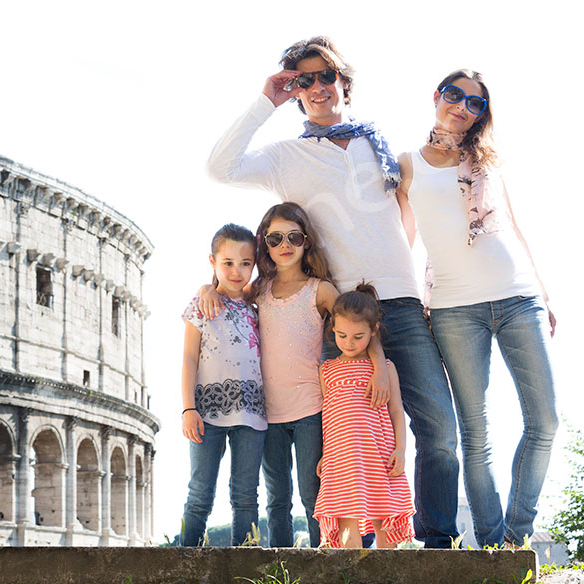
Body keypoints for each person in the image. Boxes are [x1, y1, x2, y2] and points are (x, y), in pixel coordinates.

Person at [206, 36, 460, 548]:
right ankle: (349, 549)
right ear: (295, 91)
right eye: (305, 80)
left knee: (440, 431)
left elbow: (409, 213)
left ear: (344, 81)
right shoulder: (285, 157)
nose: (318, 87)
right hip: (339, 317)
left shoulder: (381, 145)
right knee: (340, 439)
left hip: (404, 308)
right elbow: (220, 167)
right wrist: (266, 101)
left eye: (326, 76)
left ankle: (437, 546)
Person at [396, 69, 558, 547]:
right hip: (452, 308)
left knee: (545, 421)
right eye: (455, 95)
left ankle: (516, 534)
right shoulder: (407, 165)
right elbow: (401, 241)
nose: (463, 106)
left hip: (517, 296)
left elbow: (515, 227)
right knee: (475, 433)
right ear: (436, 97)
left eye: (475, 103)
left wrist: (543, 293)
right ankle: (491, 545)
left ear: (481, 116)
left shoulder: (486, 161)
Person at [248, 202, 390, 548]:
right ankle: (281, 565)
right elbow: (225, 293)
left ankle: (321, 562)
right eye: (275, 238)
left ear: (306, 241)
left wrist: (381, 369)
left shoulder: (320, 290)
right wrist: (208, 289)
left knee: (314, 493)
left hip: (312, 408)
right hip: (269, 412)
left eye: (294, 237)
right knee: (277, 496)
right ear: (264, 243)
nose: (285, 245)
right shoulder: (258, 289)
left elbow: (357, 325)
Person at [179, 224, 267, 546]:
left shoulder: (257, 309)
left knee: (246, 495)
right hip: (207, 413)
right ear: (212, 262)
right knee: (200, 491)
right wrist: (188, 408)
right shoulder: (201, 305)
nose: (237, 270)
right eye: (227, 262)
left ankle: (245, 566)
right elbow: (189, 359)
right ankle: (184, 564)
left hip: (252, 414)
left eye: (245, 263)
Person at [314, 283, 415, 548]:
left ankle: (388, 576)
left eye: (358, 336)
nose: (349, 343)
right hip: (342, 457)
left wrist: (401, 450)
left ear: (373, 331)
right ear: (333, 329)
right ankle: (350, 575)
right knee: (345, 514)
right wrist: (326, 453)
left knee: (384, 512)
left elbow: (396, 410)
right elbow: (329, 416)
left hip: (378, 453)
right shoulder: (327, 370)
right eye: (342, 335)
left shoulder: (384, 369)